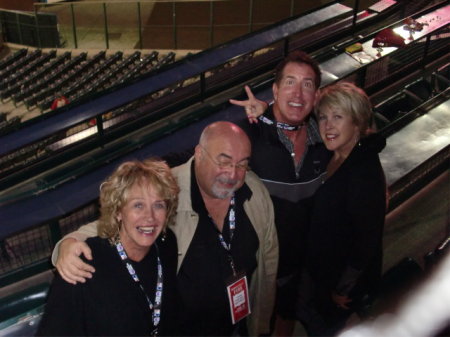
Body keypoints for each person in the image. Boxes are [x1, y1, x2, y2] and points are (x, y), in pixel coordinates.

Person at [51, 121, 278, 336]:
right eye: (224, 161)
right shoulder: (166, 189)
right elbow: (119, 221)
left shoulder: (255, 192)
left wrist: (260, 325)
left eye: (242, 164)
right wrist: (69, 243)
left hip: (236, 328)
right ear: (199, 154)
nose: (233, 174)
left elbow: (268, 261)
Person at [229, 50, 331, 336]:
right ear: (275, 90)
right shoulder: (249, 135)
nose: (298, 93)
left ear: (316, 94)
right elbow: (203, 158)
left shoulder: (323, 141)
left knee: (285, 320)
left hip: (296, 269)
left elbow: (359, 129)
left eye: (307, 84)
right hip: (252, 270)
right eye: (290, 82)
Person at [37, 159, 180, 336]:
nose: (149, 217)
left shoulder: (166, 246)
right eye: (138, 205)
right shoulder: (83, 263)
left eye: (158, 205)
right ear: (118, 212)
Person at [297, 82, 386, 336]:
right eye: (323, 117)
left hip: (335, 284)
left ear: (357, 122)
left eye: (338, 117)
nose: (327, 126)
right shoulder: (333, 154)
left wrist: (343, 289)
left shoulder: (363, 174)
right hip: (318, 270)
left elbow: (366, 241)